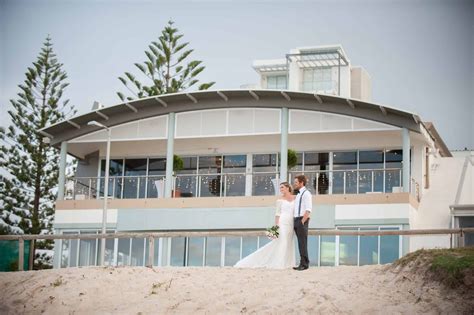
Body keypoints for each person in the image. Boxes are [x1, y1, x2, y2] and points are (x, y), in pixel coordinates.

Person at [234, 182, 296, 269]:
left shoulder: (295, 199)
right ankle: (279, 263)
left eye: (282, 187)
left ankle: (288, 263)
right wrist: (276, 226)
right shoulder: (279, 200)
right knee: (283, 241)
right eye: (280, 188)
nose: (281, 189)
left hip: (291, 223)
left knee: (289, 242)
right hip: (282, 222)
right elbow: (277, 214)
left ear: (288, 188)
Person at [293, 175, 312, 271]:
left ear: (301, 183)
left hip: (301, 220)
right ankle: (304, 263)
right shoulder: (298, 194)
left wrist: (302, 222)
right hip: (296, 219)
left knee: (302, 243)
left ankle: (304, 264)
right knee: (300, 243)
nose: (294, 184)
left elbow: (308, 210)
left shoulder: (306, 193)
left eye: (296, 182)